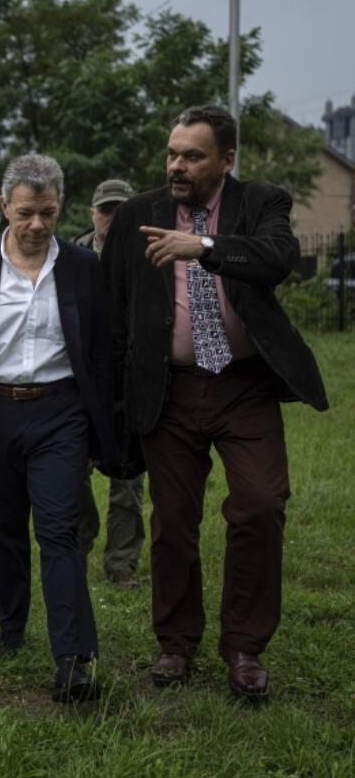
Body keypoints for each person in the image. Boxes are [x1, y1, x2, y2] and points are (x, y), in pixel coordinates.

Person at [103, 105, 328, 700]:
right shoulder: (135, 215)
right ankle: (176, 645)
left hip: (243, 385)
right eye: (173, 153)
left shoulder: (262, 203)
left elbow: (277, 259)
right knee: (173, 520)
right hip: (169, 390)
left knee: (259, 504)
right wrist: (116, 398)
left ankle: (245, 649)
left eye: (193, 155)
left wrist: (201, 245)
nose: (178, 165)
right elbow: (113, 308)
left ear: (226, 159)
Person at [0, 154, 116, 703]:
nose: (37, 225)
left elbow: (104, 349)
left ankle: (74, 658)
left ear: (60, 206)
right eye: (25, 214)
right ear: (3, 208)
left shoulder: (86, 268)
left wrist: (93, 422)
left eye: (47, 212)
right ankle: (12, 623)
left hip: (60, 410)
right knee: (1, 526)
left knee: (60, 529)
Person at [73, 179, 146, 584]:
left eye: (121, 210)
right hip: (78, 386)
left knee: (128, 480)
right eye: (106, 210)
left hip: (129, 385)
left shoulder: (152, 257)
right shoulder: (69, 257)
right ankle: (80, 542)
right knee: (71, 474)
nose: (112, 218)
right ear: (93, 214)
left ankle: (121, 564)